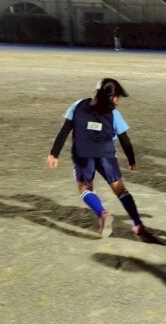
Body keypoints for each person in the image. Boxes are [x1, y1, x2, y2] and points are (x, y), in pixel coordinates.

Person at [47, 78, 146, 237]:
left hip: (83, 154)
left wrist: (54, 153)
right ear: (112, 97)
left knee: (85, 188)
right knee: (120, 189)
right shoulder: (113, 113)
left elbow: (65, 130)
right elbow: (125, 140)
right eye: (117, 97)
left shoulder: (78, 105)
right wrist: (131, 160)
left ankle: (102, 213)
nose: (118, 101)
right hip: (106, 155)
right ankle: (138, 224)